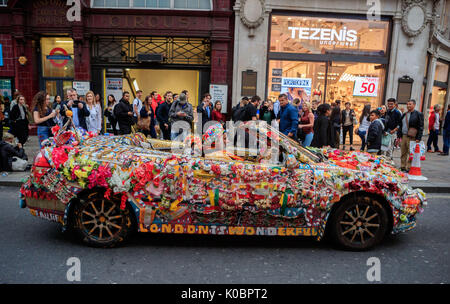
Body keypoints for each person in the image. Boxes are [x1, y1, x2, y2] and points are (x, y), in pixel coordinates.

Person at [398, 99, 424, 172]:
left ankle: (409, 167)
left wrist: (418, 137)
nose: (408, 105)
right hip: (404, 136)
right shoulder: (404, 114)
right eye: (407, 104)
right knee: (403, 152)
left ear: (414, 105)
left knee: (411, 153)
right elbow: (400, 125)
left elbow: (421, 127)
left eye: (410, 104)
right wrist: (399, 136)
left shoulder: (418, 114)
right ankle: (402, 166)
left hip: (413, 137)